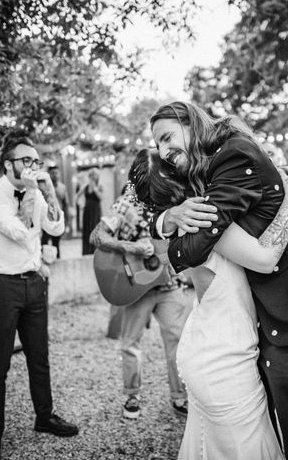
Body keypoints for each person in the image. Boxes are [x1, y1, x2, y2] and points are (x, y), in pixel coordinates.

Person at [148, 101, 288, 460]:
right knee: (268, 422)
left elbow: (192, 247)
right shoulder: (207, 170)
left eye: (167, 137)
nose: (163, 151)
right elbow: (175, 215)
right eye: (157, 145)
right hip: (258, 319)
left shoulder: (233, 155)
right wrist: (167, 218)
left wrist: (172, 238)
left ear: (190, 123)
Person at [133, 148, 288, 459]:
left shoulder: (184, 224)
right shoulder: (205, 221)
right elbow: (266, 259)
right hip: (224, 361)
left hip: (210, 348)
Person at [0, 132, 78, 460]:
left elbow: (57, 228)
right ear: (8, 164)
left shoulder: (36, 191)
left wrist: (48, 193)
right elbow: (19, 231)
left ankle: (44, 417)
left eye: (36, 160)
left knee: (39, 357)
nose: (33, 165)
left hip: (34, 283)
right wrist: (35, 192)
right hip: (1, 286)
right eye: (26, 161)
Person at [88, 161, 191, 421]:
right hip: (136, 287)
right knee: (130, 343)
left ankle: (181, 397)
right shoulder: (126, 203)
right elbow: (96, 236)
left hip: (170, 285)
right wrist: (130, 248)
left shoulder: (175, 200)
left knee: (178, 343)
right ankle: (132, 395)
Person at [41, 166, 68, 258]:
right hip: (46, 219)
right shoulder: (43, 187)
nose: (55, 175)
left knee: (56, 243)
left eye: (56, 173)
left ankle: (57, 261)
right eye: (52, 173)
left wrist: (66, 222)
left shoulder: (63, 187)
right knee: (44, 243)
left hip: (57, 219)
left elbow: (66, 204)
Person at [79, 169, 103, 255]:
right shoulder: (85, 187)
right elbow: (77, 196)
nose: (92, 178)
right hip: (87, 211)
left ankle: (95, 250)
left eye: (94, 176)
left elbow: (101, 198)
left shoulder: (99, 186)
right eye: (91, 176)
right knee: (87, 230)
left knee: (95, 229)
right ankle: (86, 251)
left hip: (96, 211)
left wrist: (95, 189)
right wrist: (81, 204)